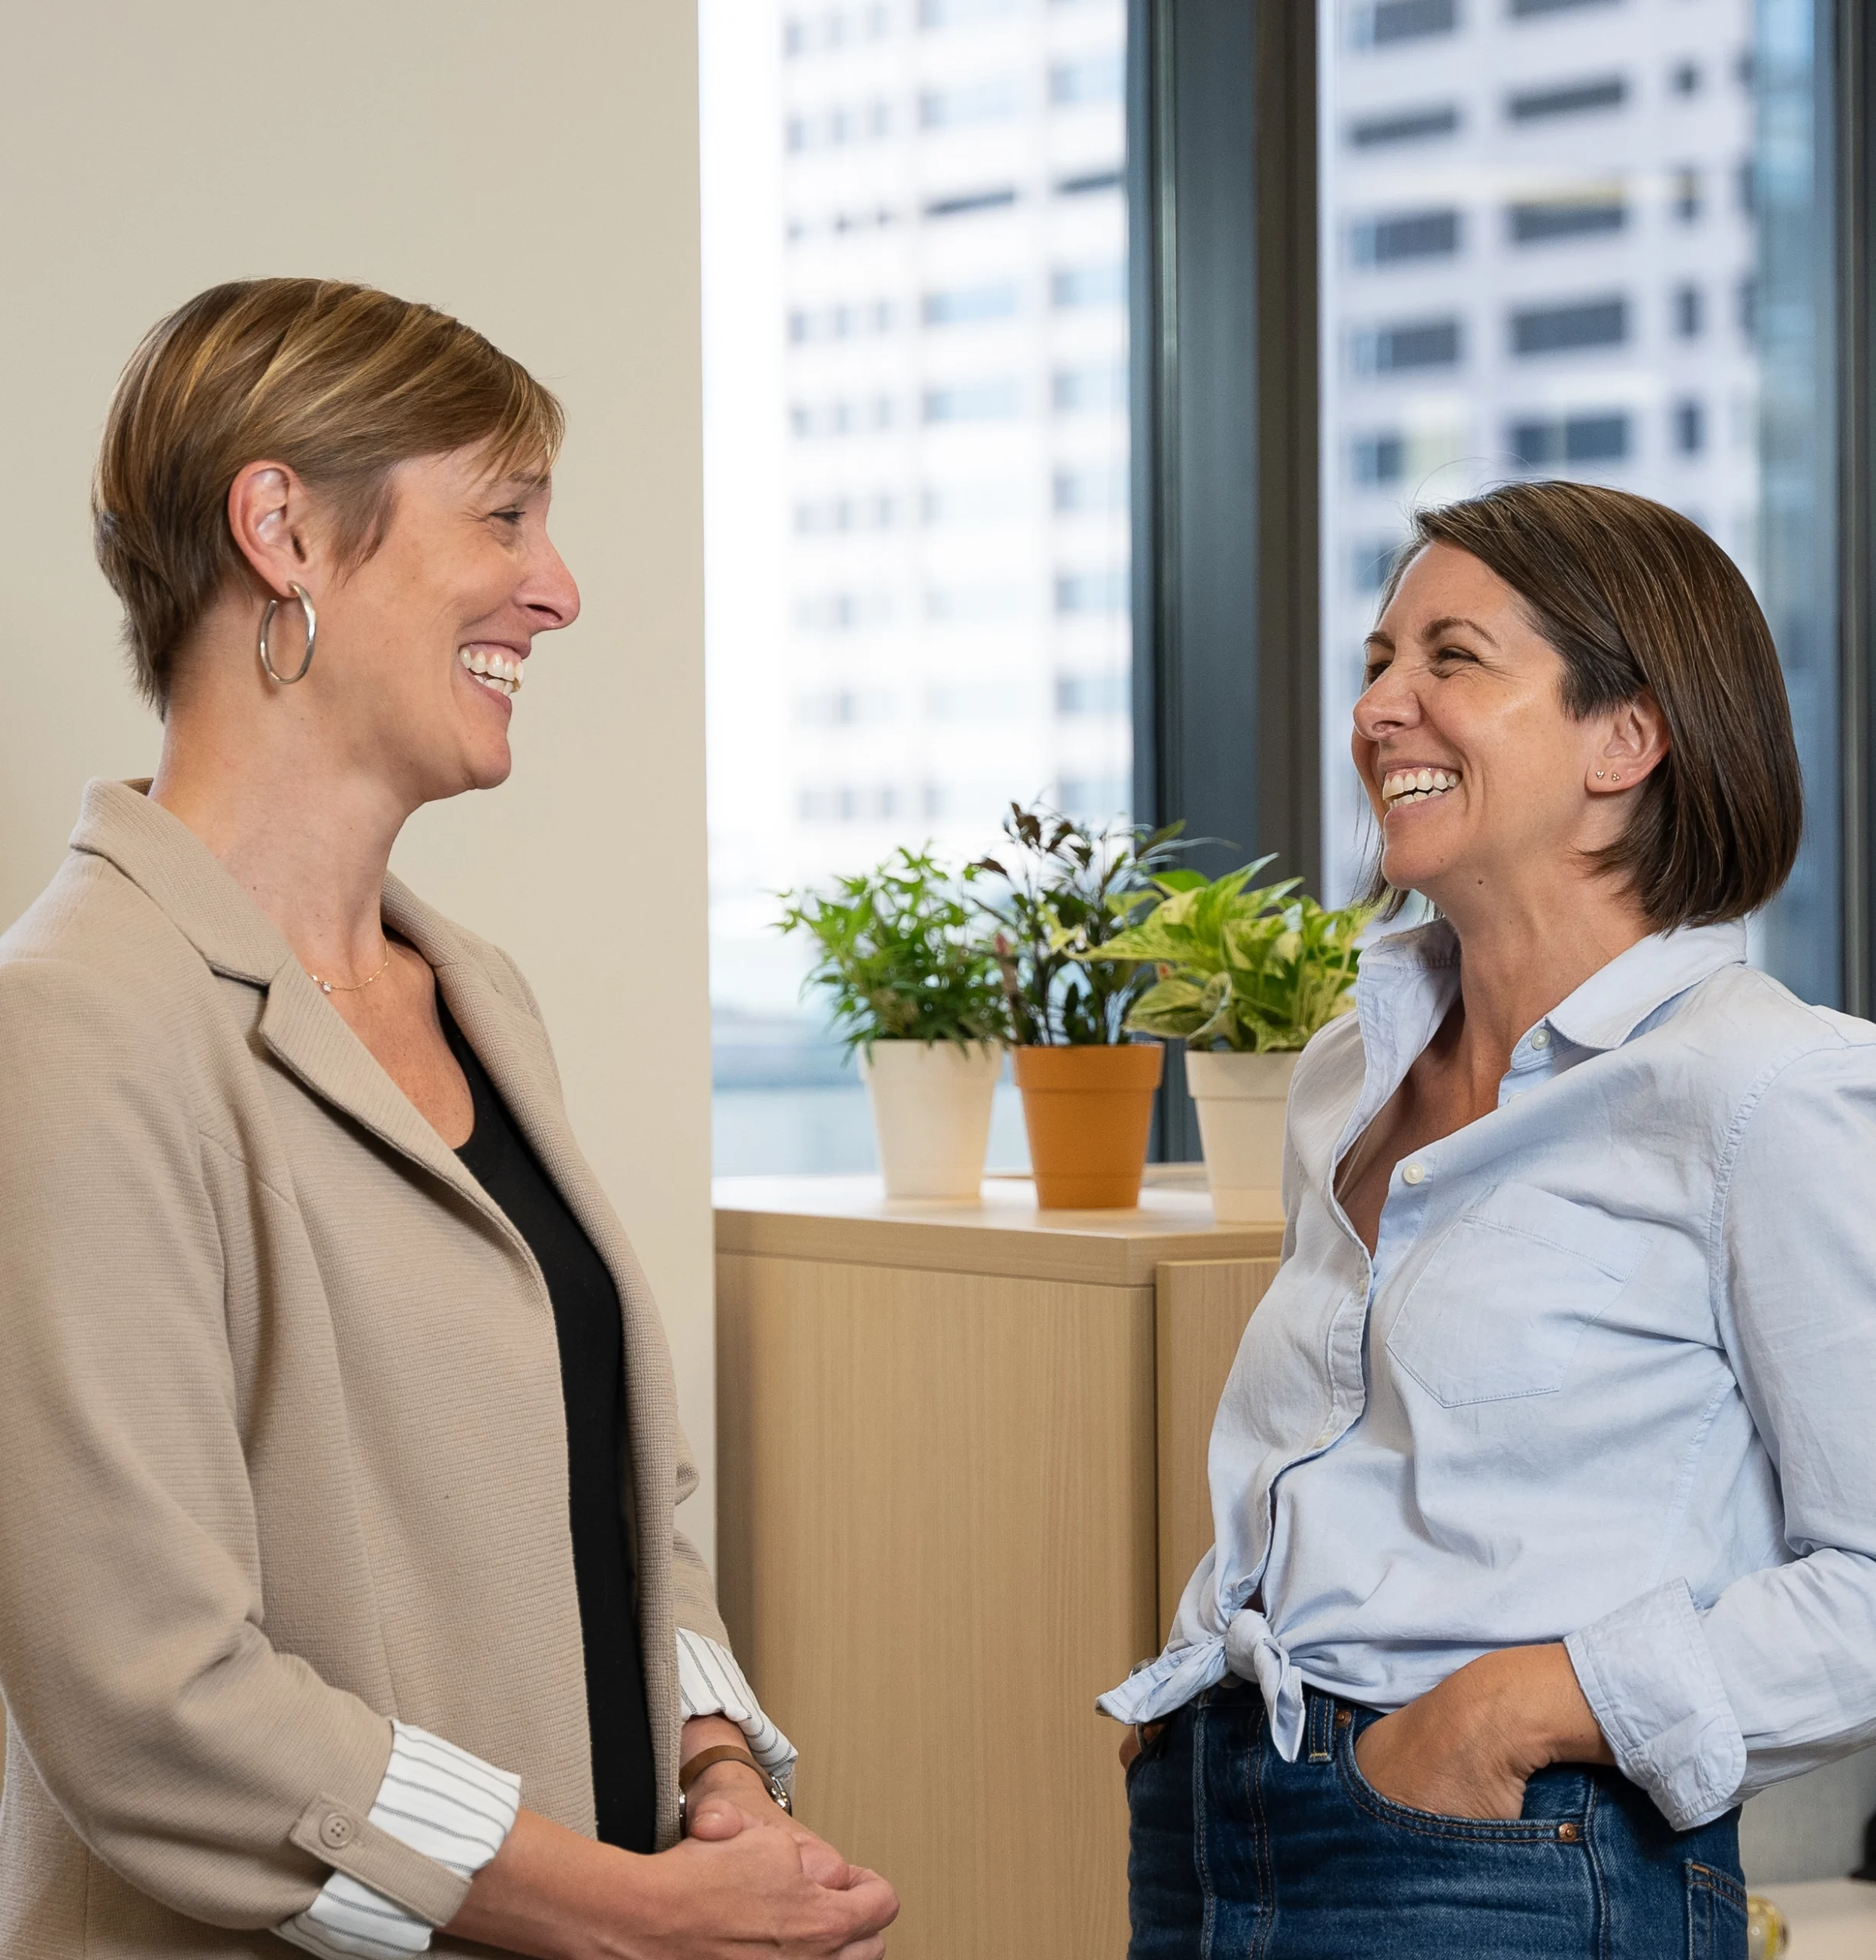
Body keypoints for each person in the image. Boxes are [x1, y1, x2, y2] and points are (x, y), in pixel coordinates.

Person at [0, 279, 897, 1960]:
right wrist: (624, 1912)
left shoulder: (475, 991)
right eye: (503, 516)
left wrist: (718, 1777)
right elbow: (148, 1694)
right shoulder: (69, 1025)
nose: (557, 589)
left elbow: (610, 1505)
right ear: (282, 531)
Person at [1104, 480, 1876, 1957]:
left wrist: (1519, 1711)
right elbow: (1347, 1454)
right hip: (1223, 1820)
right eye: (1377, 662)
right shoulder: (1348, 1073)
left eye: (1450, 659)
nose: (1377, 709)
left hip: (1505, 1852)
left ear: (1623, 739)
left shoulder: (1768, 1090)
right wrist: (1201, 1672)